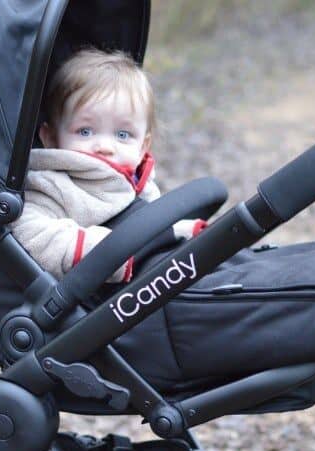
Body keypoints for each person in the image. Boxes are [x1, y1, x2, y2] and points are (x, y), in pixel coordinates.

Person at [11, 48, 206, 282]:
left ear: (143, 145)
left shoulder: (139, 182)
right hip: (99, 301)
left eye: (123, 135)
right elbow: (30, 233)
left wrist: (181, 231)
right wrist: (106, 251)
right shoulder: (53, 185)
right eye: (85, 131)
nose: (105, 146)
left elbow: (149, 230)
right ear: (51, 138)